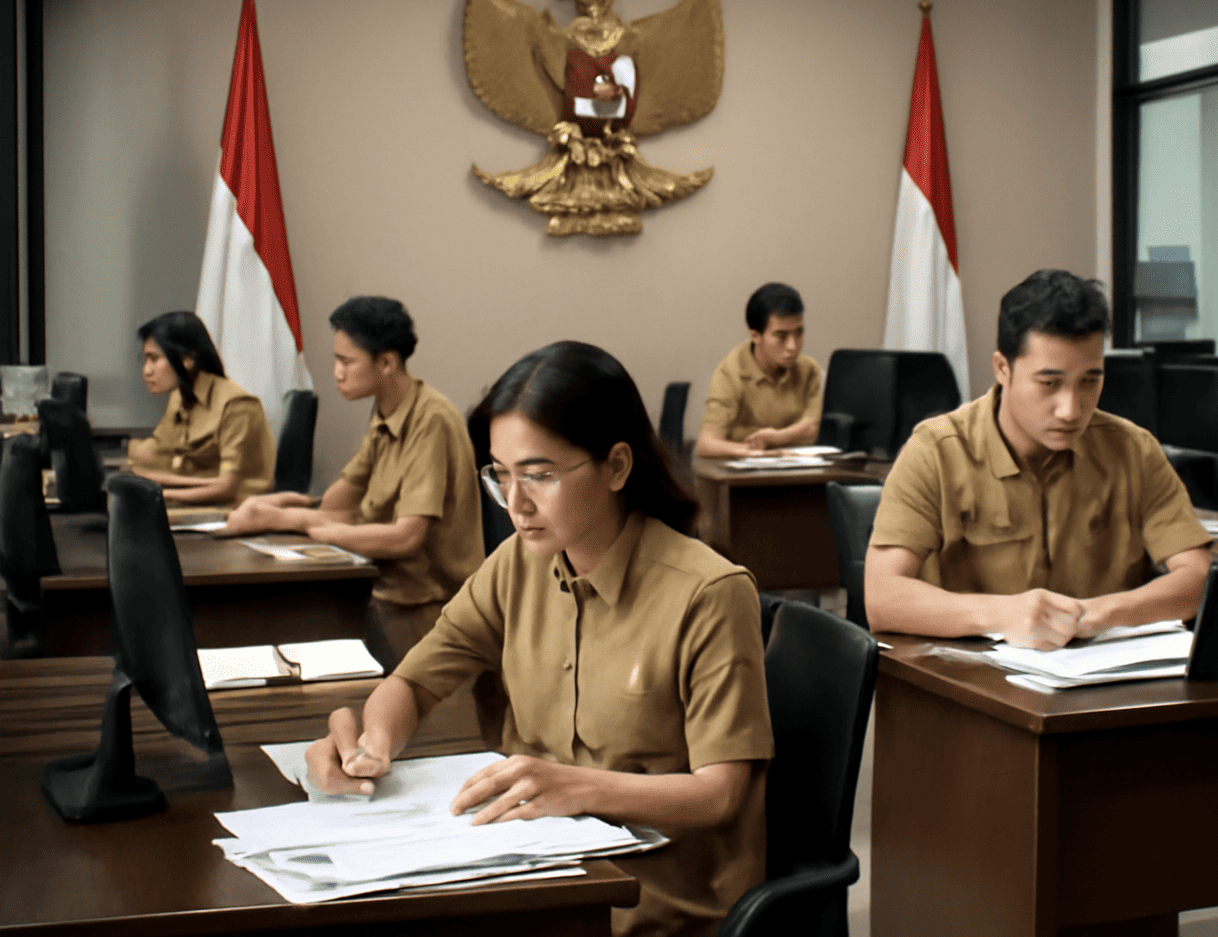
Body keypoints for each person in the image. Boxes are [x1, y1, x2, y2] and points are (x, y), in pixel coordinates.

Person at [303, 341, 773, 936]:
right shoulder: (517, 564)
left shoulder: (709, 592)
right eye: (501, 476)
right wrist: (371, 746)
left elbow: (719, 795)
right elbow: (415, 683)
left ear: (617, 467)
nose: (517, 504)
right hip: (533, 873)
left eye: (540, 475)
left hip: (654, 902)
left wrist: (576, 787)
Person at [865, 269, 1212, 650]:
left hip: (1103, 684)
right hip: (970, 683)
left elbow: (1196, 575)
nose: (1071, 409)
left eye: (1089, 381)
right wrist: (1002, 614)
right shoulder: (935, 452)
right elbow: (883, 598)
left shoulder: (1134, 449)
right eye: (1049, 383)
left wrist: (1104, 613)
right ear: (1002, 369)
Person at [225, 296, 482, 668]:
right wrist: (278, 509)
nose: (336, 373)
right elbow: (337, 507)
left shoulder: (430, 420)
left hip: (427, 609)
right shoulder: (385, 412)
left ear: (387, 363)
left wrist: (295, 523)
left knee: (291, 633)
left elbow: (406, 537)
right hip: (380, 588)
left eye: (346, 361)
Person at [127, 311, 274, 505]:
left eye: (154, 359)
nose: (147, 370)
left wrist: (162, 495)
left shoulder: (236, 405)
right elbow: (158, 453)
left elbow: (226, 489)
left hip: (232, 509)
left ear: (188, 359)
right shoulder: (178, 396)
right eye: (145, 360)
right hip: (193, 502)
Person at [695, 282, 822, 458]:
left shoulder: (808, 369)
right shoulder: (731, 371)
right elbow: (706, 444)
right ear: (756, 336)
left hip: (795, 471)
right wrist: (753, 452)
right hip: (744, 474)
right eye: (781, 336)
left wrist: (775, 438)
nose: (793, 346)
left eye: (799, 333)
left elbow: (812, 427)